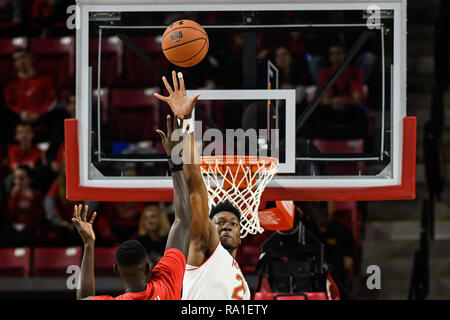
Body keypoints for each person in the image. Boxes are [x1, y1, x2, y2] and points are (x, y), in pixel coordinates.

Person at [72, 114, 193, 300]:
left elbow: (83, 299)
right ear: (148, 266)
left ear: (116, 270)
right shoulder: (166, 283)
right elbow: (183, 219)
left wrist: (89, 245)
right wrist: (174, 157)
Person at [154, 71, 250, 300]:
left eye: (233, 223)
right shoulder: (205, 249)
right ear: (208, 226)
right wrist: (186, 122)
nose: (226, 227)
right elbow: (196, 189)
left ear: (241, 233)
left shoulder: (237, 274)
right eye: (219, 222)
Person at [1, 165, 46, 246]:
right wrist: (13, 198)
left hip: (31, 227)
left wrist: (32, 201)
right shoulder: (12, 195)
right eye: (16, 178)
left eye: (21, 178)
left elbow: (40, 216)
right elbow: (8, 216)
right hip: (15, 227)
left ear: (29, 179)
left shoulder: (37, 194)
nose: (18, 182)